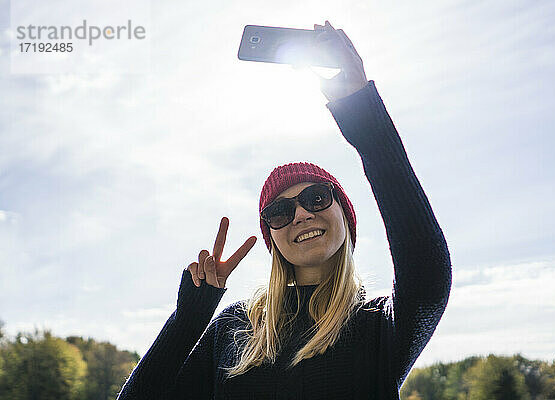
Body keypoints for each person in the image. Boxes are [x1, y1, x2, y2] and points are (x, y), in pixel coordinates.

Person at [117, 21, 452, 399]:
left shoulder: (379, 324)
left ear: (345, 215)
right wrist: (189, 318)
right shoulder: (235, 328)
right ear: (272, 238)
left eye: (317, 199)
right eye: (280, 212)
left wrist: (362, 111)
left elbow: (427, 270)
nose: (302, 215)